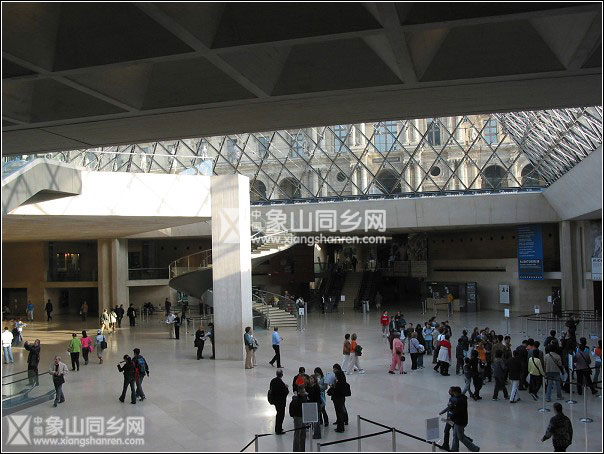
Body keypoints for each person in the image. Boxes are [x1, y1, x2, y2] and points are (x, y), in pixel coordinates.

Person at [449, 387, 480, 452]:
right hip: (459, 420)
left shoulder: (459, 401)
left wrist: (451, 417)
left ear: (456, 392)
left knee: (461, 437)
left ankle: (474, 448)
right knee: (455, 435)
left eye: (453, 392)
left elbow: (457, 412)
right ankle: (454, 449)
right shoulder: (462, 398)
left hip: (460, 421)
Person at [269, 369, 289, 435]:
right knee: (280, 416)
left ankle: (277, 428)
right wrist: (286, 387)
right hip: (281, 402)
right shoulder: (281, 383)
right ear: (282, 375)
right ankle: (278, 429)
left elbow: (271, 389)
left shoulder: (273, 381)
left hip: (275, 401)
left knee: (278, 414)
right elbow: (285, 393)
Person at [439, 386, 459, 451]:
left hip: (450, 418)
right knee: (456, 432)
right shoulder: (454, 398)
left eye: (450, 391)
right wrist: (443, 412)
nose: (448, 392)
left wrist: (442, 412)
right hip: (451, 418)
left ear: (453, 392)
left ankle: (446, 445)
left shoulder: (452, 399)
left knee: (447, 431)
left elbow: (449, 408)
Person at [290, 385, 308, 451]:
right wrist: (294, 416)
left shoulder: (305, 397)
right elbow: (291, 408)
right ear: (299, 392)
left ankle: (302, 450)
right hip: (298, 417)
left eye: (304, 391)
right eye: (303, 392)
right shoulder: (295, 399)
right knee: (297, 435)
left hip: (303, 417)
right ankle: (296, 450)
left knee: (303, 434)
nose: (304, 393)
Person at [307, 375, 323, 439]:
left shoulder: (316, 387)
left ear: (314, 379)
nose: (310, 380)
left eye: (312, 378)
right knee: (314, 420)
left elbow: (315, 396)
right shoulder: (310, 386)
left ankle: (317, 434)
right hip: (312, 404)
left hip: (315, 404)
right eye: (310, 379)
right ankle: (316, 433)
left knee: (316, 421)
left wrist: (308, 396)